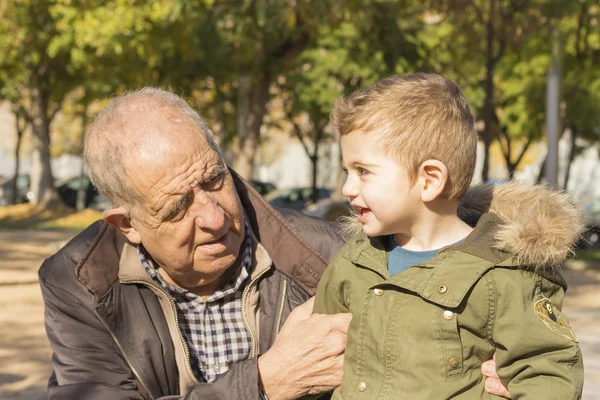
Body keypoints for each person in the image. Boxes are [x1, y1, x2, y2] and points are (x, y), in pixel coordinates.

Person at [39, 87, 511, 400]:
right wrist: (266, 381)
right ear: (128, 225)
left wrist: (494, 375)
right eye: (178, 206)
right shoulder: (79, 281)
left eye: (214, 178)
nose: (213, 215)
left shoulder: (329, 255)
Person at [313, 74, 584, 399]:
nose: (347, 188)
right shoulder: (354, 260)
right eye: (347, 172)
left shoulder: (502, 274)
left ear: (429, 180)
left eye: (363, 171)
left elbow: (547, 373)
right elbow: (315, 357)